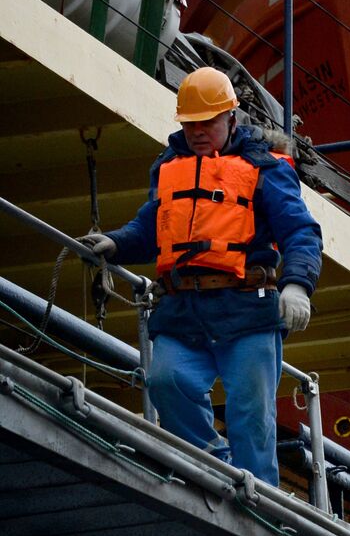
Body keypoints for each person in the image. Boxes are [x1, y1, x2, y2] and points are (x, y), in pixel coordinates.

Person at [79, 67, 322, 488]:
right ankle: (216, 468)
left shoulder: (265, 169)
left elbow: (300, 231)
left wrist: (297, 284)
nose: (197, 131)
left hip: (247, 310)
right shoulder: (169, 167)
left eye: (207, 121)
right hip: (184, 311)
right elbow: (152, 228)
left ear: (231, 117)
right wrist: (116, 243)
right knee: (166, 381)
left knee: (250, 413)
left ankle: (261, 502)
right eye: (190, 123)